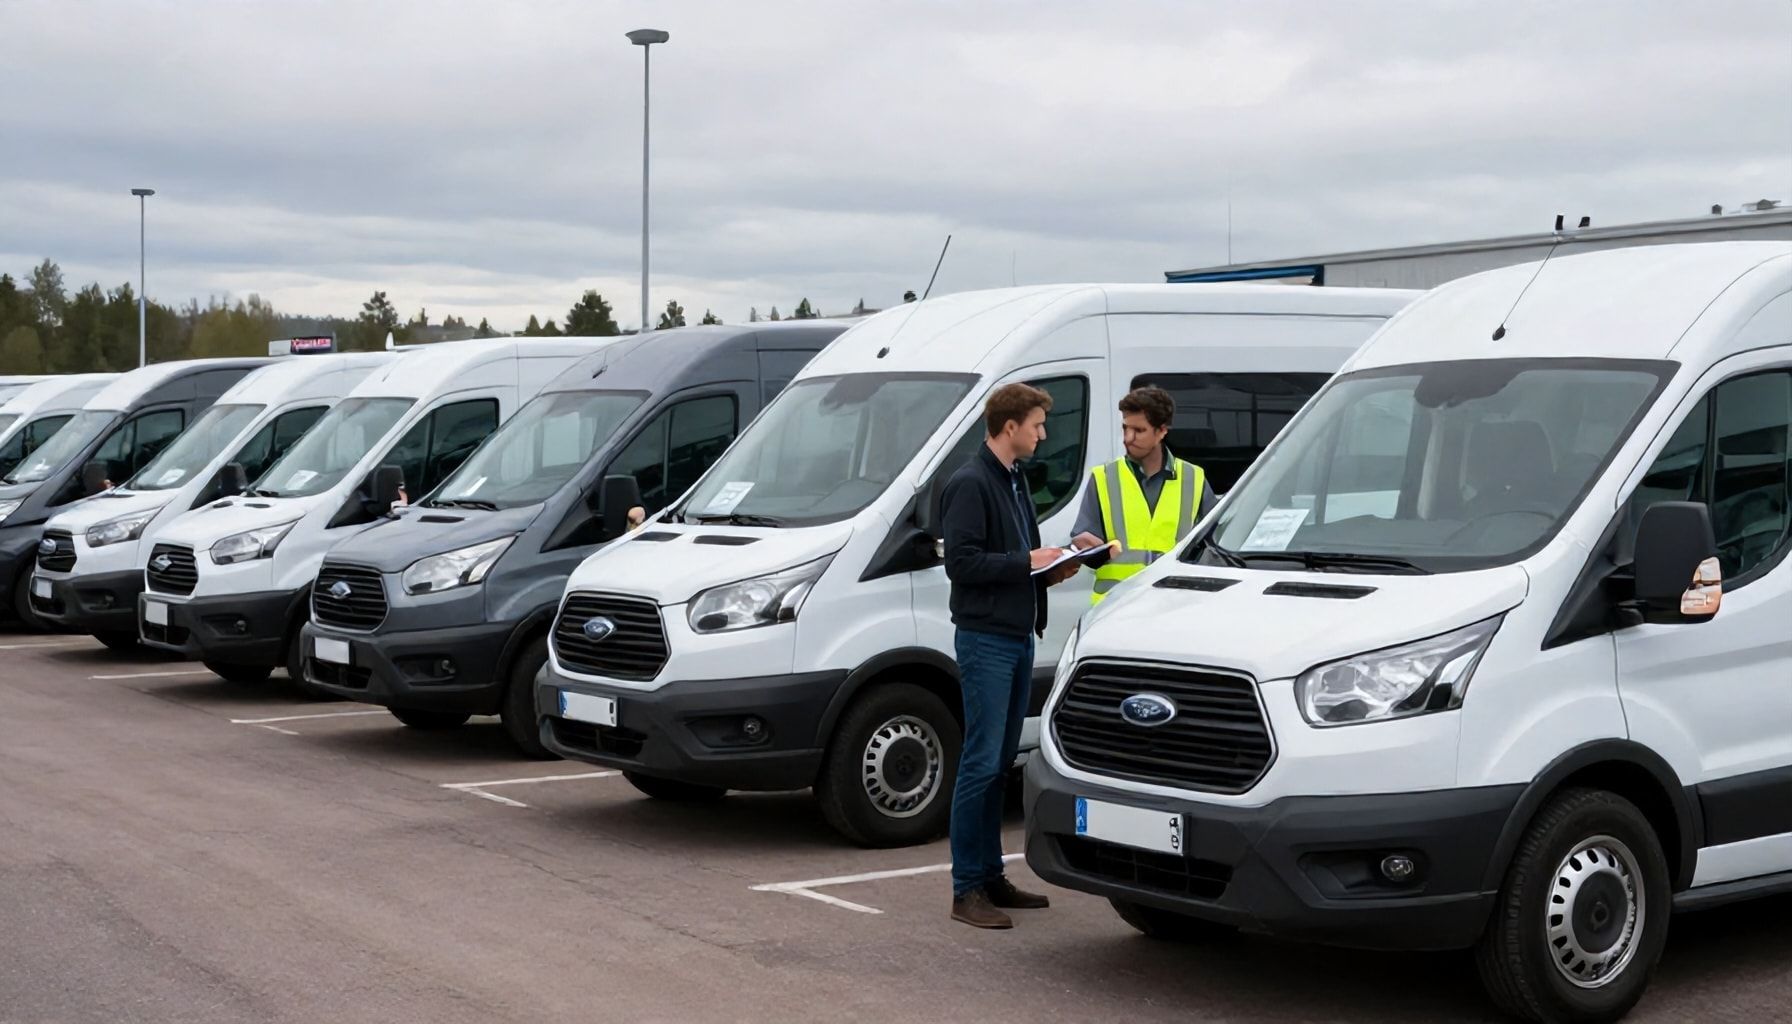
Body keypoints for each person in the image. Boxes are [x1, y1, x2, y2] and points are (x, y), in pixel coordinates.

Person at [939, 382, 1078, 929]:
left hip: (1017, 635)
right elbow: (963, 564)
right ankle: (965, 889)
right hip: (986, 640)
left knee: (999, 764)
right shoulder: (970, 483)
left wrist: (1055, 565)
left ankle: (990, 875)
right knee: (979, 763)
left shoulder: (1014, 478)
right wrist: (1027, 562)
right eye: (1037, 424)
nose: (1043, 433)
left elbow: (1015, 557)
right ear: (1009, 426)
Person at [1071, 386, 1216, 604]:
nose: (1128, 438)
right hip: (1113, 609)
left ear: (1162, 431)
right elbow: (1084, 539)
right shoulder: (1103, 477)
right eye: (1125, 428)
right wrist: (1084, 546)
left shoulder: (1193, 479)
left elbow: (1215, 546)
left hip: (1173, 605)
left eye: (1139, 430)